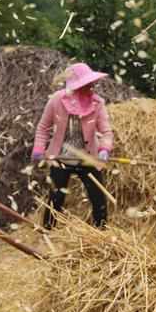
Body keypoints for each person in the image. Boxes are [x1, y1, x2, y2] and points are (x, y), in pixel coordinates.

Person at [32, 63, 113, 229]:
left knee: (98, 198)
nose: (90, 87)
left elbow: (106, 132)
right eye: (85, 84)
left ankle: (102, 232)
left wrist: (104, 149)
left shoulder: (98, 103)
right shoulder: (57, 100)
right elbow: (43, 127)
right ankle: (47, 231)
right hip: (60, 158)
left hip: (88, 158)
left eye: (90, 84)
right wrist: (39, 149)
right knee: (56, 198)